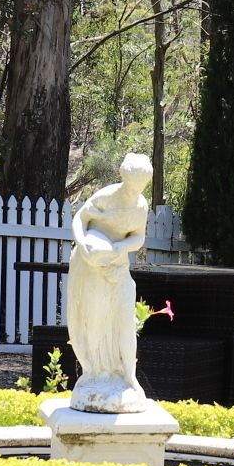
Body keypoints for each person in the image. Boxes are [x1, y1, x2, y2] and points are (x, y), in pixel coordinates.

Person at [64, 152, 153, 412]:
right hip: (91, 266)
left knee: (124, 322)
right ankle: (94, 372)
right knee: (95, 319)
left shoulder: (140, 205)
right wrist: (83, 246)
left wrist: (119, 246)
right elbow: (79, 220)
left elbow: (138, 238)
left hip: (117, 265)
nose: (135, 190)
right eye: (132, 184)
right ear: (125, 177)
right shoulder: (106, 197)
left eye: (141, 185)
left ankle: (128, 376)